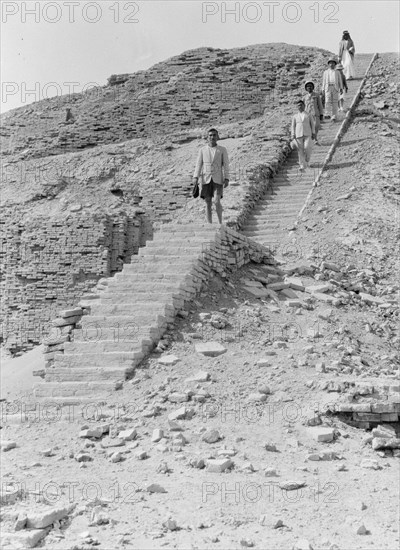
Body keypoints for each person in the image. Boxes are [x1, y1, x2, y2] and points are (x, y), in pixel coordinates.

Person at [193, 128, 229, 224]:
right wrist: (195, 177)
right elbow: (199, 164)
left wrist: (227, 178)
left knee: (217, 201)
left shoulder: (222, 150)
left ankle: (220, 223)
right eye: (210, 135)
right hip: (206, 178)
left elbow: (226, 164)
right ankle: (210, 224)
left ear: (217, 137)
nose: (212, 137)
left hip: (218, 178)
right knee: (208, 202)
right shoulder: (202, 150)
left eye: (214, 135)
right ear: (207, 137)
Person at [290, 100, 316, 171]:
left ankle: (307, 160)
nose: (300, 106)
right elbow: (293, 126)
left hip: (308, 133)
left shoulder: (308, 115)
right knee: (300, 150)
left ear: (304, 106)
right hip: (298, 134)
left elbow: (312, 124)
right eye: (298, 105)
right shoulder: (295, 116)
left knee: (307, 147)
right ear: (297, 107)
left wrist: (313, 133)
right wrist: (293, 135)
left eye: (301, 105)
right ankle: (302, 165)